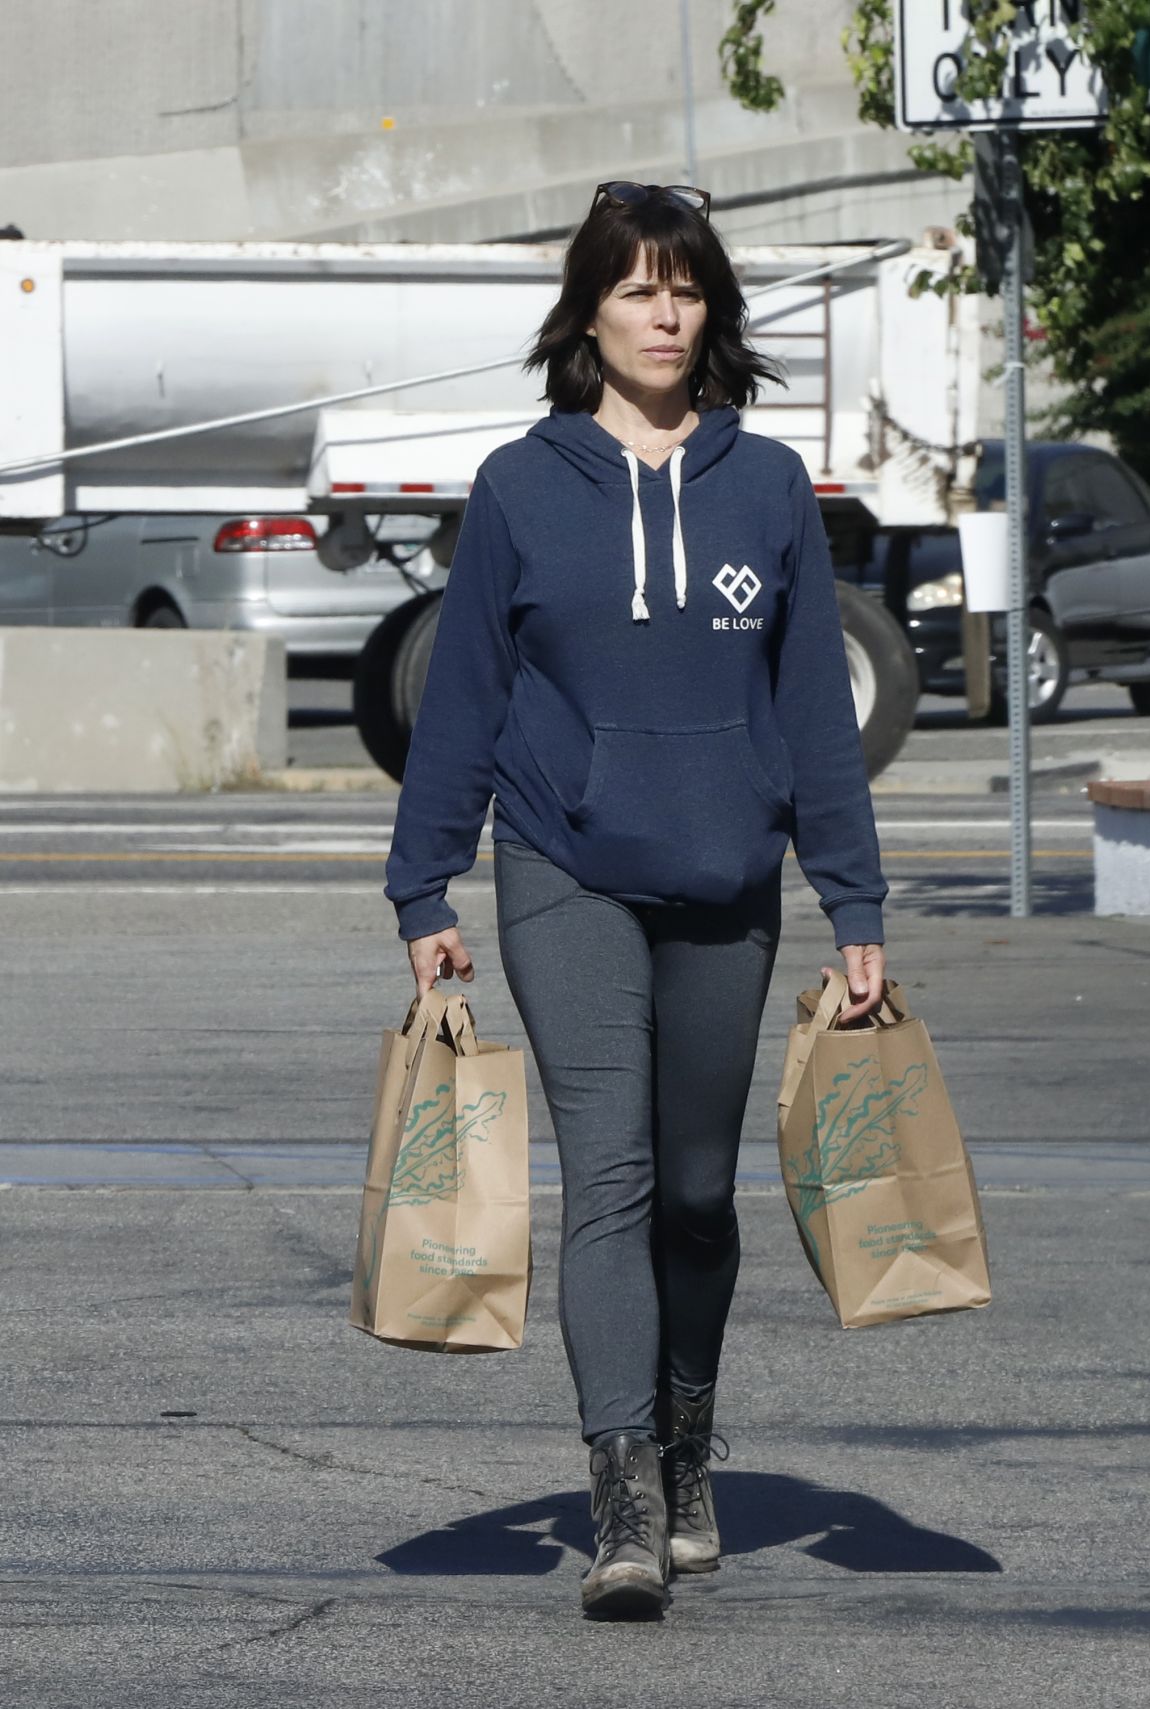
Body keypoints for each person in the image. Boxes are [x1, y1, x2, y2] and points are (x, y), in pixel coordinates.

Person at [384, 180, 888, 1617]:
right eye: (635, 289)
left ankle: (684, 1429)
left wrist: (854, 904)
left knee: (696, 1193)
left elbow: (809, 718)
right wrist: (424, 881)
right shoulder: (524, 485)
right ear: (589, 315)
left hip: (727, 876)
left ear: (712, 310)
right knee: (605, 1177)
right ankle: (621, 1493)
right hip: (563, 868)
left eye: (686, 288)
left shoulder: (768, 486)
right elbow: (466, 701)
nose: (664, 312)